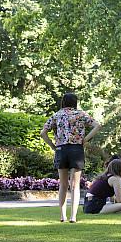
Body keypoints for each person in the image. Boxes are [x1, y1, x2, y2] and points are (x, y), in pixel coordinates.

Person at [41, 93, 101, 223]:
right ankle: (73, 217)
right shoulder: (80, 114)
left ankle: (63, 216)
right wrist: (85, 139)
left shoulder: (56, 115)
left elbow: (43, 133)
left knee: (63, 185)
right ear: (75, 102)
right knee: (75, 185)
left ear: (63, 102)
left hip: (61, 149)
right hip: (76, 149)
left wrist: (53, 146)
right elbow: (97, 125)